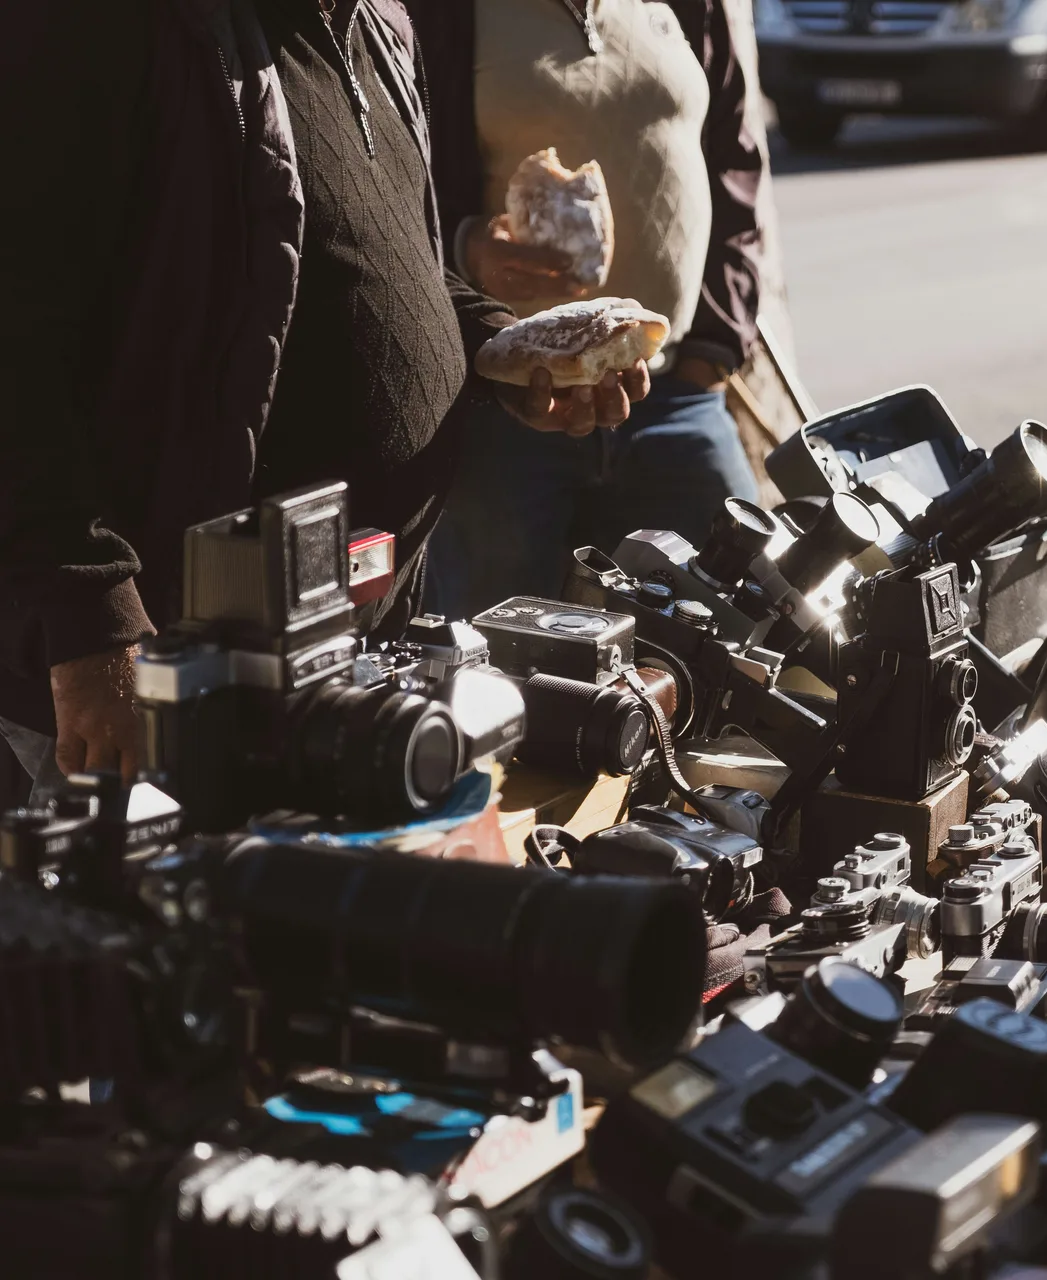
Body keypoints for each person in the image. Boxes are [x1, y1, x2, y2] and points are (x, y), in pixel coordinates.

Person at [0, 0, 648, 801]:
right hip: (157, 668)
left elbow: (387, 259)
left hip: (342, 651)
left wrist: (506, 349)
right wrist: (93, 616)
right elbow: (18, 347)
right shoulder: (107, 26)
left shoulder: (378, 21)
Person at [413, 0, 765, 622]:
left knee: (742, 623)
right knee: (498, 647)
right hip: (508, 413)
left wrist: (715, 350)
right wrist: (465, 245)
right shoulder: (440, 12)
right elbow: (400, 181)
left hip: (677, 399)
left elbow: (735, 164)